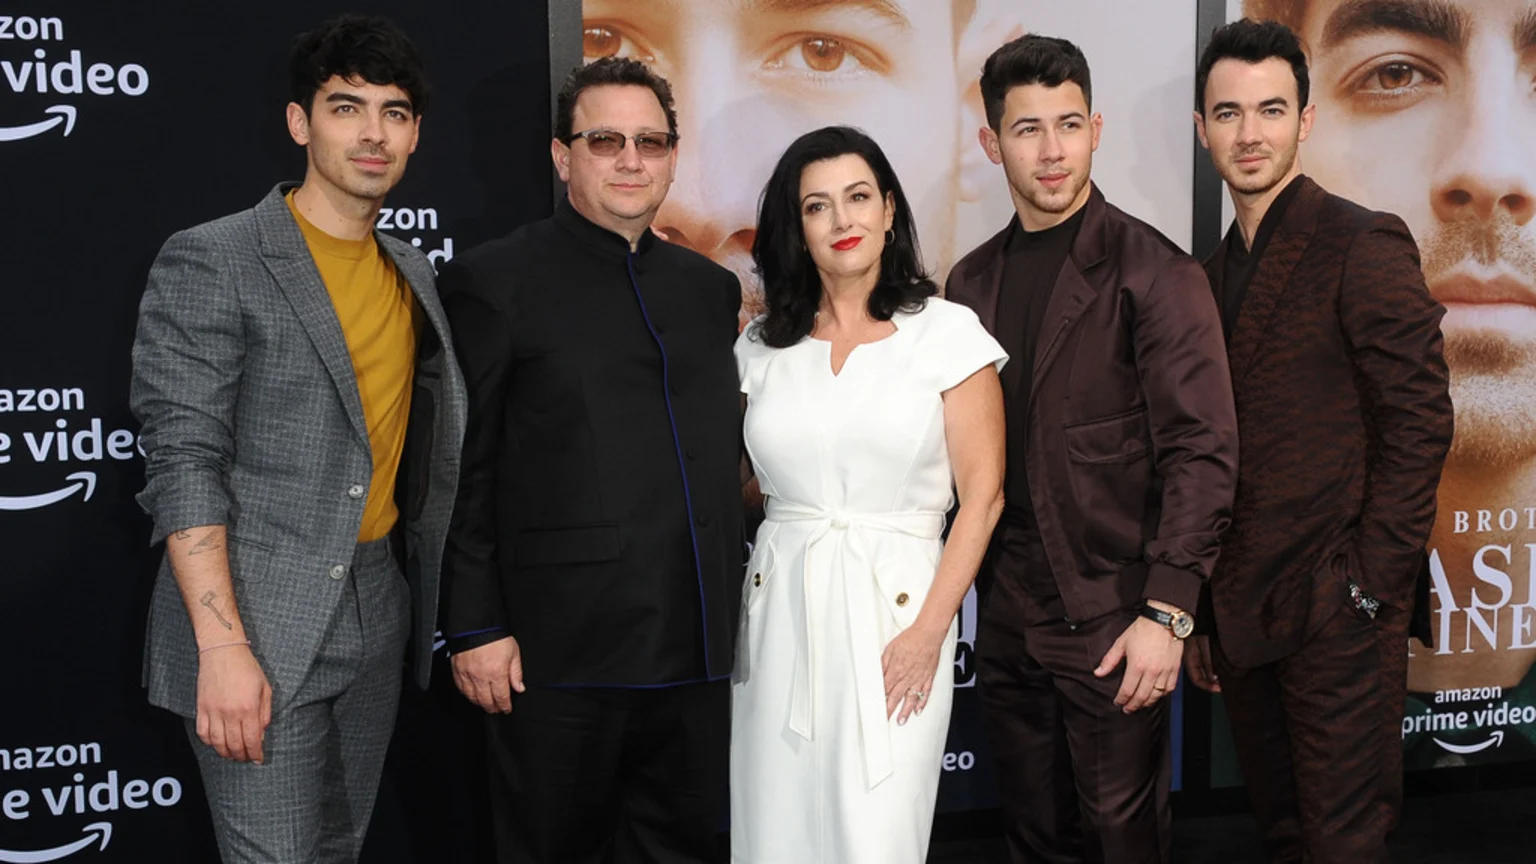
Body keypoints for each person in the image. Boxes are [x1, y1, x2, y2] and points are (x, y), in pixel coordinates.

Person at [130, 15, 465, 862]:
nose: (372, 133)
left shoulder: (411, 269)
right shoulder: (217, 258)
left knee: (339, 848)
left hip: (377, 604)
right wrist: (223, 645)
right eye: (346, 107)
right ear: (300, 122)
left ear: (416, 133)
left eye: (394, 113)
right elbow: (184, 461)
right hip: (258, 616)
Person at [437, 57, 743, 864]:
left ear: (675, 154)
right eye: (605, 140)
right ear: (561, 155)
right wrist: (474, 625)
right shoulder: (492, 281)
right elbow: (461, 468)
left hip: (698, 647)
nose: (631, 160)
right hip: (555, 656)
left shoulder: (710, 291)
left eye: (650, 141)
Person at [948, 35, 1239, 864]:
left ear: (1096, 128)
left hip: (1115, 614)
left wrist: (1167, 610)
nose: (1051, 150)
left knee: (1122, 838)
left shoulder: (1155, 273)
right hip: (1006, 613)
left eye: (1068, 124)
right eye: (1028, 128)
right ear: (990, 142)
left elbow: (1203, 449)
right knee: (1032, 833)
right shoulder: (968, 285)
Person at [1187, 19, 1454, 863]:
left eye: (1270, 109)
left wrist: (1371, 587)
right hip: (1242, 613)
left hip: (1338, 607)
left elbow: (1419, 423)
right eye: (1228, 113)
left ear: (1305, 120)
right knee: (1284, 833)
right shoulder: (1206, 274)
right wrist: (1200, 614)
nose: (1249, 132)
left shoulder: (1360, 240)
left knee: (1344, 843)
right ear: (1202, 128)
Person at [1243, 0, 1536, 766]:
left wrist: (1367, 595)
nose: (1491, 168)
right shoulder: (1212, 287)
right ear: (1306, 129)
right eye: (1396, 72)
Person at [731, 125, 1006, 863]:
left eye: (858, 198)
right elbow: (750, 484)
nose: (843, 220)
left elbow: (982, 499)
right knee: (774, 829)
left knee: (878, 833)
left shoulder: (948, 334)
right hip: (778, 611)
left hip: (899, 617)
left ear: (889, 211)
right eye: (817, 206)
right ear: (798, 229)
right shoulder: (759, 347)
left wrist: (927, 636)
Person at [579, 0, 1027, 324]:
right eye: (604, 43)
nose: (703, 209)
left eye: (822, 52)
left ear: (975, 114)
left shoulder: (956, 354)